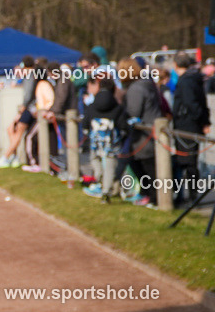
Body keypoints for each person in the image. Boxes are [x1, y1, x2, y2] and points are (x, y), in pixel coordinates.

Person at [119, 58, 163, 207]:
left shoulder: (136, 88)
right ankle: (150, 195)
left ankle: (155, 198)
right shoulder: (146, 84)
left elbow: (133, 112)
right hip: (148, 131)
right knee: (145, 165)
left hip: (144, 134)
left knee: (147, 166)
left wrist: (123, 119)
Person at [171, 52, 211, 204]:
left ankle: (191, 195)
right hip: (191, 123)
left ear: (176, 65)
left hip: (187, 125)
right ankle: (191, 194)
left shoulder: (186, 80)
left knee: (187, 162)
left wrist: (201, 121)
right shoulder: (194, 77)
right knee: (189, 161)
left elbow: (192, 103)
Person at [0, 56, 37, 168]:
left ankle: (6, 157)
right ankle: (13, 157)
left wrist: (22, 109)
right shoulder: (30, 76)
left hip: (29, 109)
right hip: (27, 108)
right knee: (11, 129)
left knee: (18, 131)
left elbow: (28, 95)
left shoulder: (31, 76)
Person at [81, 77, 125, 201]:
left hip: (95, 140)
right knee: (110, 166)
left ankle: (100, 179)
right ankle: (106, 191)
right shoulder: (117, 106)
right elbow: (123, 125)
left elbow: (85, 124)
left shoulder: (92, 105)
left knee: (95, 159)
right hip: (111, 141)